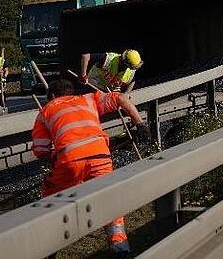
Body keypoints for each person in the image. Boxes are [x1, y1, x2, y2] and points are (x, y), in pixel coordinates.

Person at [32, 78, 151, 254]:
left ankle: (48, 248)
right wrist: (140, 124)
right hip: (100, 155)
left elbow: (40, 150)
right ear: (71, 92)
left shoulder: (45, 111)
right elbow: (121, 98)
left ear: (52, 96)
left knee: (50, 197)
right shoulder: (88, 99)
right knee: (108, 198)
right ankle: (120, 245)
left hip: (69, 160)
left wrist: (56, 158)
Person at [78, 49, 143, 92]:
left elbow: (132, 81)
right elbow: (85, 56)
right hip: (92, 86)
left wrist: (127, 94)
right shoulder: (109, 59)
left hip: (106, 92)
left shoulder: (130, 72)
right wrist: (83, 75)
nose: (132, 69)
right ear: (124, 63)